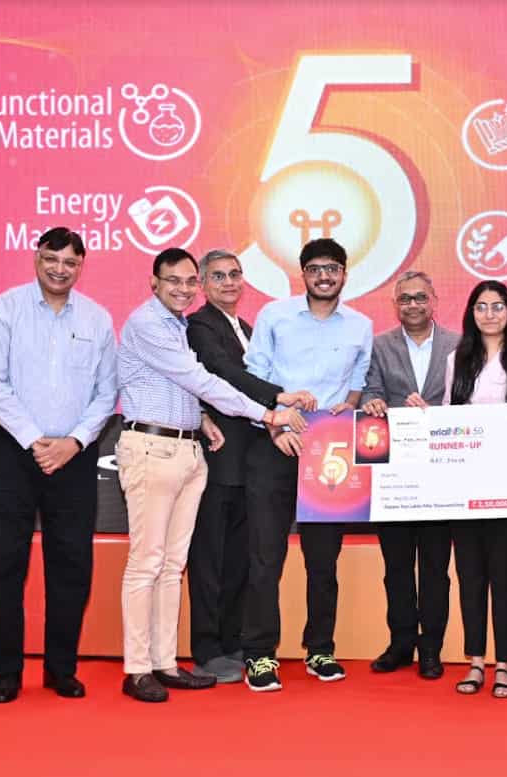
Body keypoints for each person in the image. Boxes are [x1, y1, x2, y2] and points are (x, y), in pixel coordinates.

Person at [115, 247, 305, 703]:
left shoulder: (178, 326)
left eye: (188, 282)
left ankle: (164, 663)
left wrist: (200, 418)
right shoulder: (150, 324)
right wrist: (270, 412)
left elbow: (181, 388)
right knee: (147, 564)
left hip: (186, 450)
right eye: (174, 281)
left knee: (171, 566)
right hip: (151, 448)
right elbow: (202, 379)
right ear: (154, 283)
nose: (183, 289)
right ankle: (138, 668)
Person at [0, 226, 117, 704]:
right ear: (37, 258)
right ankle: (6, 671)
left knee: (71, 563)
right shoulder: (5, 309)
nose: (60, 269)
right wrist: (36, 440)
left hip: (73, 455)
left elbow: (107, 393)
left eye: (70, 262)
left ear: (81, 266)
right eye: (52, 259)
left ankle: (61, 669)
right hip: (8, 450)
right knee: (4, 561)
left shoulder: (97, 318)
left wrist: (73, 442)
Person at [240, 238, 373, 691]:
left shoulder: (360, 325)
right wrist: (276, 427)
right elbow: (254, 377)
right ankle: (260, 654)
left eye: (332, 268)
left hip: (328, 453)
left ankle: (320, 648)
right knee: (265, 557)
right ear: (303, 274)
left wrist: (348, 406)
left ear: (344, 274)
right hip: (273, 445)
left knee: (323, 560)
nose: (324, 276)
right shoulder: (274, 315)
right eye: (315, 268)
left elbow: (357, 383)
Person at [184, 249, 315, 684]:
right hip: (218, 457)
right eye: (219, 276)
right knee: (209, 558)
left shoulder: (247, 328)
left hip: (252, 461)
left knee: (240, 558)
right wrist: (279, 397)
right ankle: (206, 649)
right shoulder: (200, 327)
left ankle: (232, 641)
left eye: (235, 274)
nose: (229, 283)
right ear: (203, 284)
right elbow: (223, 373)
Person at [439, 280, 507, 699]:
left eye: (497, 306)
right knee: (469, 574)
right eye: (481, 306)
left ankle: (504, 663)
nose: (489, 314)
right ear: (471, 313)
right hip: (465, 484)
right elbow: (449, 415)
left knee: (504, 575)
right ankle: (475, 661)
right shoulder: (456, 360)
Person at [360, 271, 460, 679]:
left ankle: (431, 648)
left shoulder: (459, 345)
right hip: (394, 477)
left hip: (442, 475)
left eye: (420, 297)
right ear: (395, 304)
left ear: (434, 300)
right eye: (405, 299)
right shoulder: (379, 346)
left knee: (435, 568)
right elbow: (369, 391)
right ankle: (401, 643)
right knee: (397, 566)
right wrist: (375, 403)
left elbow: (468, 401)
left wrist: (438, 414)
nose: (413, 305)